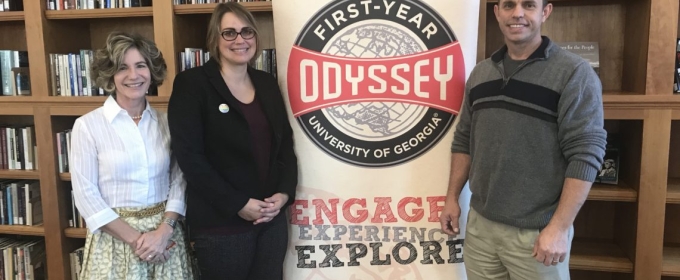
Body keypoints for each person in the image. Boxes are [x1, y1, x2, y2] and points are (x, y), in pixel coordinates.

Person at [439, 0, 607, 279]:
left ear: (546, 12)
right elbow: (464, 140)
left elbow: (585, 154)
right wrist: (452, 198)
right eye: (508, 5)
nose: (517, 13)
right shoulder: (481, 73)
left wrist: (559, 228)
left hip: (537, 234)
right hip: (481, 228)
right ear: (497, 13)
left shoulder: (574, 73)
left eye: (528, 5)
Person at [167, 2, 298, 280]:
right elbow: (190, 157)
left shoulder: (267, 83)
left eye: (247, 32)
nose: (240, 40)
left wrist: (284, 195)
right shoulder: (192, 84)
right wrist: (238, 203)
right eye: (229, 33)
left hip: (271, 221)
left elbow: (284, 146)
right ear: (215, 39)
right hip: (222, 224)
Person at [70, 31, 193, 279]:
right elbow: (86, 196)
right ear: (109, 74)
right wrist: (141, 242)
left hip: (165, 237)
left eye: (141, 66)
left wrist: (163, 232)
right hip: (115, 241)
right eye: (122, 68)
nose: (133, 75)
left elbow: (179, 179)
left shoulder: (167, 122)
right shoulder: (87, 126)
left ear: (152, 71)